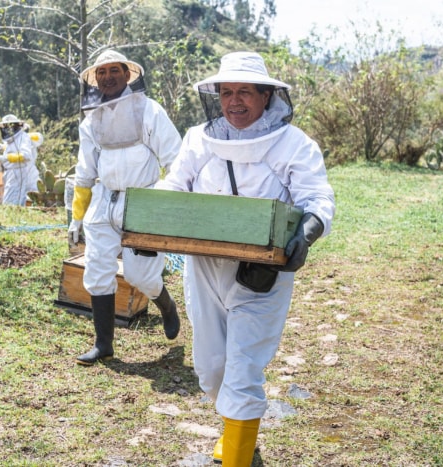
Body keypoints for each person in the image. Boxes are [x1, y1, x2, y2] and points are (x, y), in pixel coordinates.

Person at [156, 51, 335, 466]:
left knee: (242, 368)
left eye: (244, 92)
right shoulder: (199, 139)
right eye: (226, 92)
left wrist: (306, 233)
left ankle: (237, 456)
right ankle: (240, 435)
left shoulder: (294, 144)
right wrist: (147, 220)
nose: (234, 101)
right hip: (204, 268)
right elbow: (174, 185)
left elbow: (317, 198)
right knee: (212, 368)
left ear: (267, 96)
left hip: (261, 273)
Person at [67, 50, 183, 366]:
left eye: (114, 70)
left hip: (142, 199)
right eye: (101, 72)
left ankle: (166, 304)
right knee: (97, 270)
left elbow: (176, 160)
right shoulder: (92, 119)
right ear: (95, 79)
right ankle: (103, 344)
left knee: (140, 275)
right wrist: (77, 215)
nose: (108, 77)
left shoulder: (149, 111)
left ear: (127, 74)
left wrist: (168, 202)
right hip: (104, 200)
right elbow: (85, 170)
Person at [0, 114, 39, 206]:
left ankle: (13, 217)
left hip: (18, 172)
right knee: (10, 201)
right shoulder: (14, 139)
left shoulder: (23, 137)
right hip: (10, 172)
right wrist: (1, 147)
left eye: (10, 126)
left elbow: (26, 155)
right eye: (6, 126)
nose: (7, 129)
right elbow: (13, 148)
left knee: (11, 202)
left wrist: (6, 158)